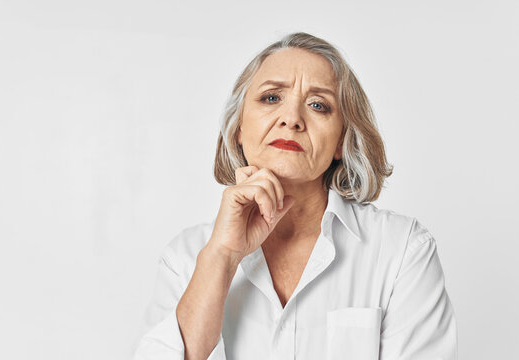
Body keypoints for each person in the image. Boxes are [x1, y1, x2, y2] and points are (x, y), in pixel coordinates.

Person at [131, 32, 458, 360]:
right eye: (271, 98)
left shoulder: (402, 251)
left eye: (318, 105)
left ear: (342, 141)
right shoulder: (185, 258)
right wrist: (223, 255)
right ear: (238, 128)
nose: (291, 119)